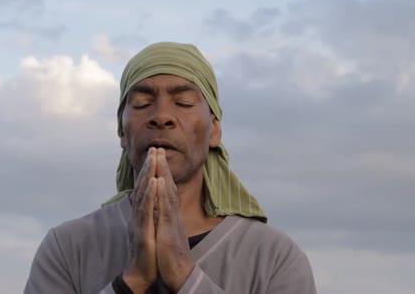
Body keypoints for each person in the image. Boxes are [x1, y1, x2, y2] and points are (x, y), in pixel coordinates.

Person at [24, 42, 316, 293]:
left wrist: (182, 273)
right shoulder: (67, 247)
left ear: (214, 130)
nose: (162, 116)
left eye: (184, 102)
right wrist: (132, 281)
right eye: (141, 103)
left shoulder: (274, 257)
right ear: (122, 133)